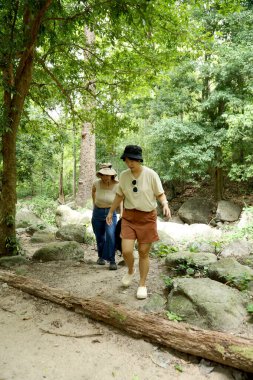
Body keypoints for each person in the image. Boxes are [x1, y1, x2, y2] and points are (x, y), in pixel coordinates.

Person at [106, 145, 171, 299]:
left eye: (133, 160)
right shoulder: (123, 176)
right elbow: (119, 196)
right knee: (127, 250)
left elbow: (160, 194)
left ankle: (142, 284)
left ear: (139, 159)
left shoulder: (151, 174)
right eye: (128, 160)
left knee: (143, 252)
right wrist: (110, 212)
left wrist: (165, 204)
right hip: (129, 217)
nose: (130, 163)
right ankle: (130, 270)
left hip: (147, 217)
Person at [92, 162, 120, 270]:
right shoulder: (96, 183)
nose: (105, 177)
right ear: (100, 175)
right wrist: (94, 205)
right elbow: (93, 192)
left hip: (111, 212)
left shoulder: (117, 184)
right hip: (97, 212)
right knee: (99, 236)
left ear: (112, 175)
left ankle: (112, 260)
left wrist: (121, 212)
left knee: (110, 235)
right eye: (103, 175)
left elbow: (120, 198)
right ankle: (101, 257)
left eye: (107, 175)